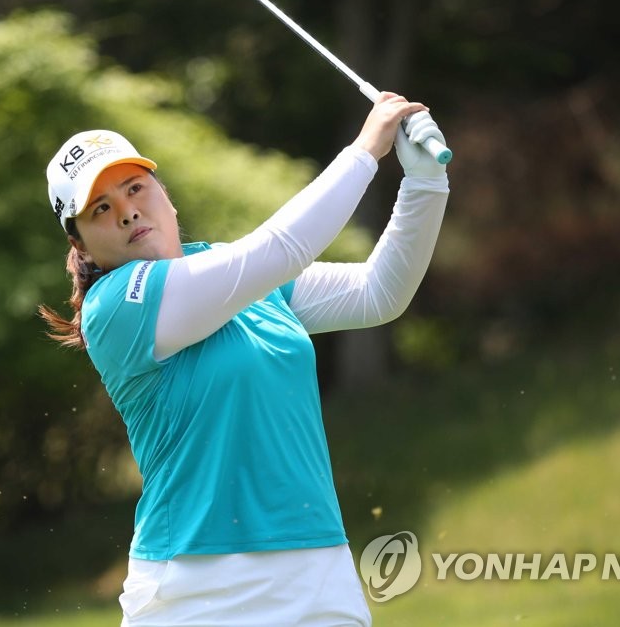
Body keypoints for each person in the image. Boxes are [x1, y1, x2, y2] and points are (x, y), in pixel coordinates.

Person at [40, 92, 449, 625]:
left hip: (319, 573)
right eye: (101, 208)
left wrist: (425, 182)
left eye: (134, 187)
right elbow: (278, 250)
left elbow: (379, 292)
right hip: (194, 591)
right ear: (82, 246)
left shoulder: (234, 272)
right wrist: (366, 150)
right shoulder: (115, 306)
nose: (127, 211)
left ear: (164, 195)